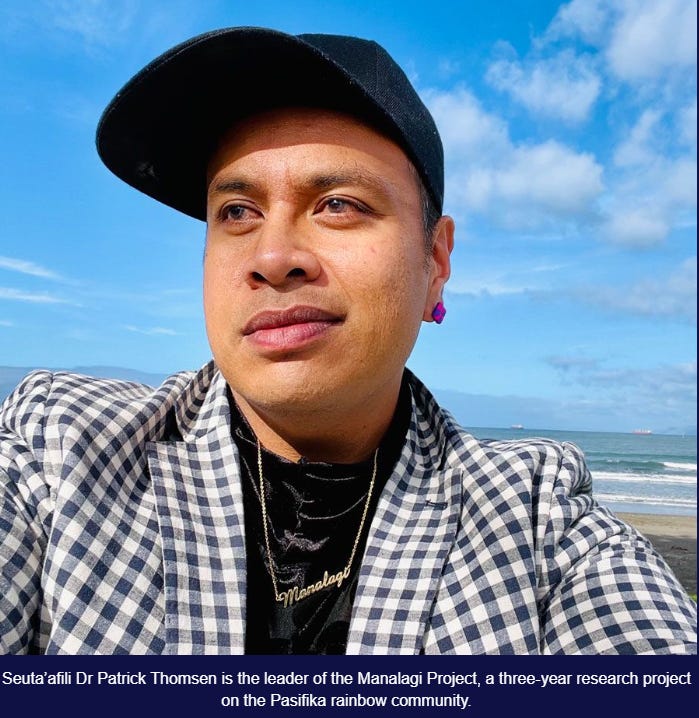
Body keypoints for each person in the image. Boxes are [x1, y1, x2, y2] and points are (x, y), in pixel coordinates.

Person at [0, 27, 695, 656]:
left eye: (338, 204)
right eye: (236, 211)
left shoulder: (537, 518)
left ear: (435, 261)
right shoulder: (61, 454)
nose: (272, 257)